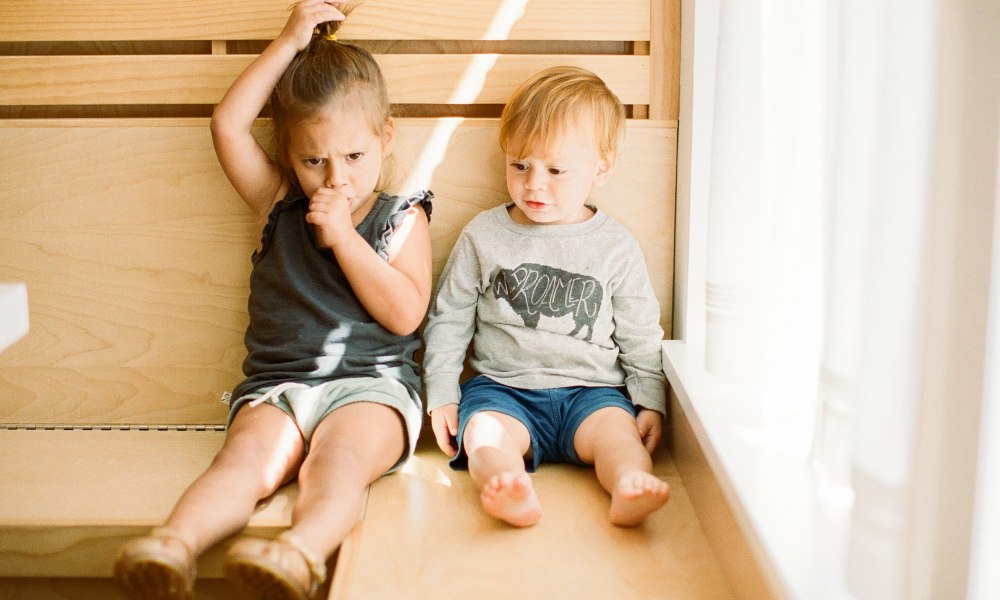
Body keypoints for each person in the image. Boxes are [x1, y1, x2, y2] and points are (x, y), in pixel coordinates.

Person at [113, 2, 433, 599]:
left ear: (385, 137)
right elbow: (227, 126)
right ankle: (172, 546)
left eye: (354, 157)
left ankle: (298, 553)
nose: (335, 177)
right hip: (279, 383)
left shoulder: (401, 218)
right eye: (314, 160)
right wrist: (289, 40)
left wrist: (342, 238)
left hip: (372, 389)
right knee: (243, 466)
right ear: (288, 156)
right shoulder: (278, 204)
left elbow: (405, 313)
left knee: (334, 466)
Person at [422, 66, 670, 529]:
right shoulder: (483, 235)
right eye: (520, 165)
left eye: (555, 170)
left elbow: (639, 330)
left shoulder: (616, 246)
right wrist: (442, 392)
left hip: (593, 394)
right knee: (485, 438)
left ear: (603, 167)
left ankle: (629, 484)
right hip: (502, 389)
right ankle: (505, 486)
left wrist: (649, 397)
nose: (534, 184)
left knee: (620, 441)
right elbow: (449, 317)